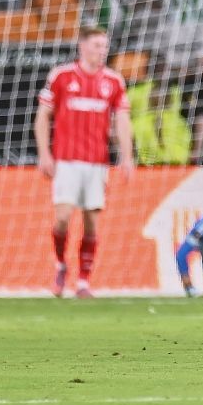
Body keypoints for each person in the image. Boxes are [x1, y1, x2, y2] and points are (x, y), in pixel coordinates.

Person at [34, 26, 135, 298]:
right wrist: (44, 153)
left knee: (91, 222)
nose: (101, 51)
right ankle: (60, 265)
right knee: (63, 218)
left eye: (104, 46)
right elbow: (43, 115)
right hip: (66, 160)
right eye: (96, 45)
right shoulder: (62, 76)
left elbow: (123, 121)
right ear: (82, 46)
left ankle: (83, 282)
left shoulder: (114, 81)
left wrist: (127, 156)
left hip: (97, 162)